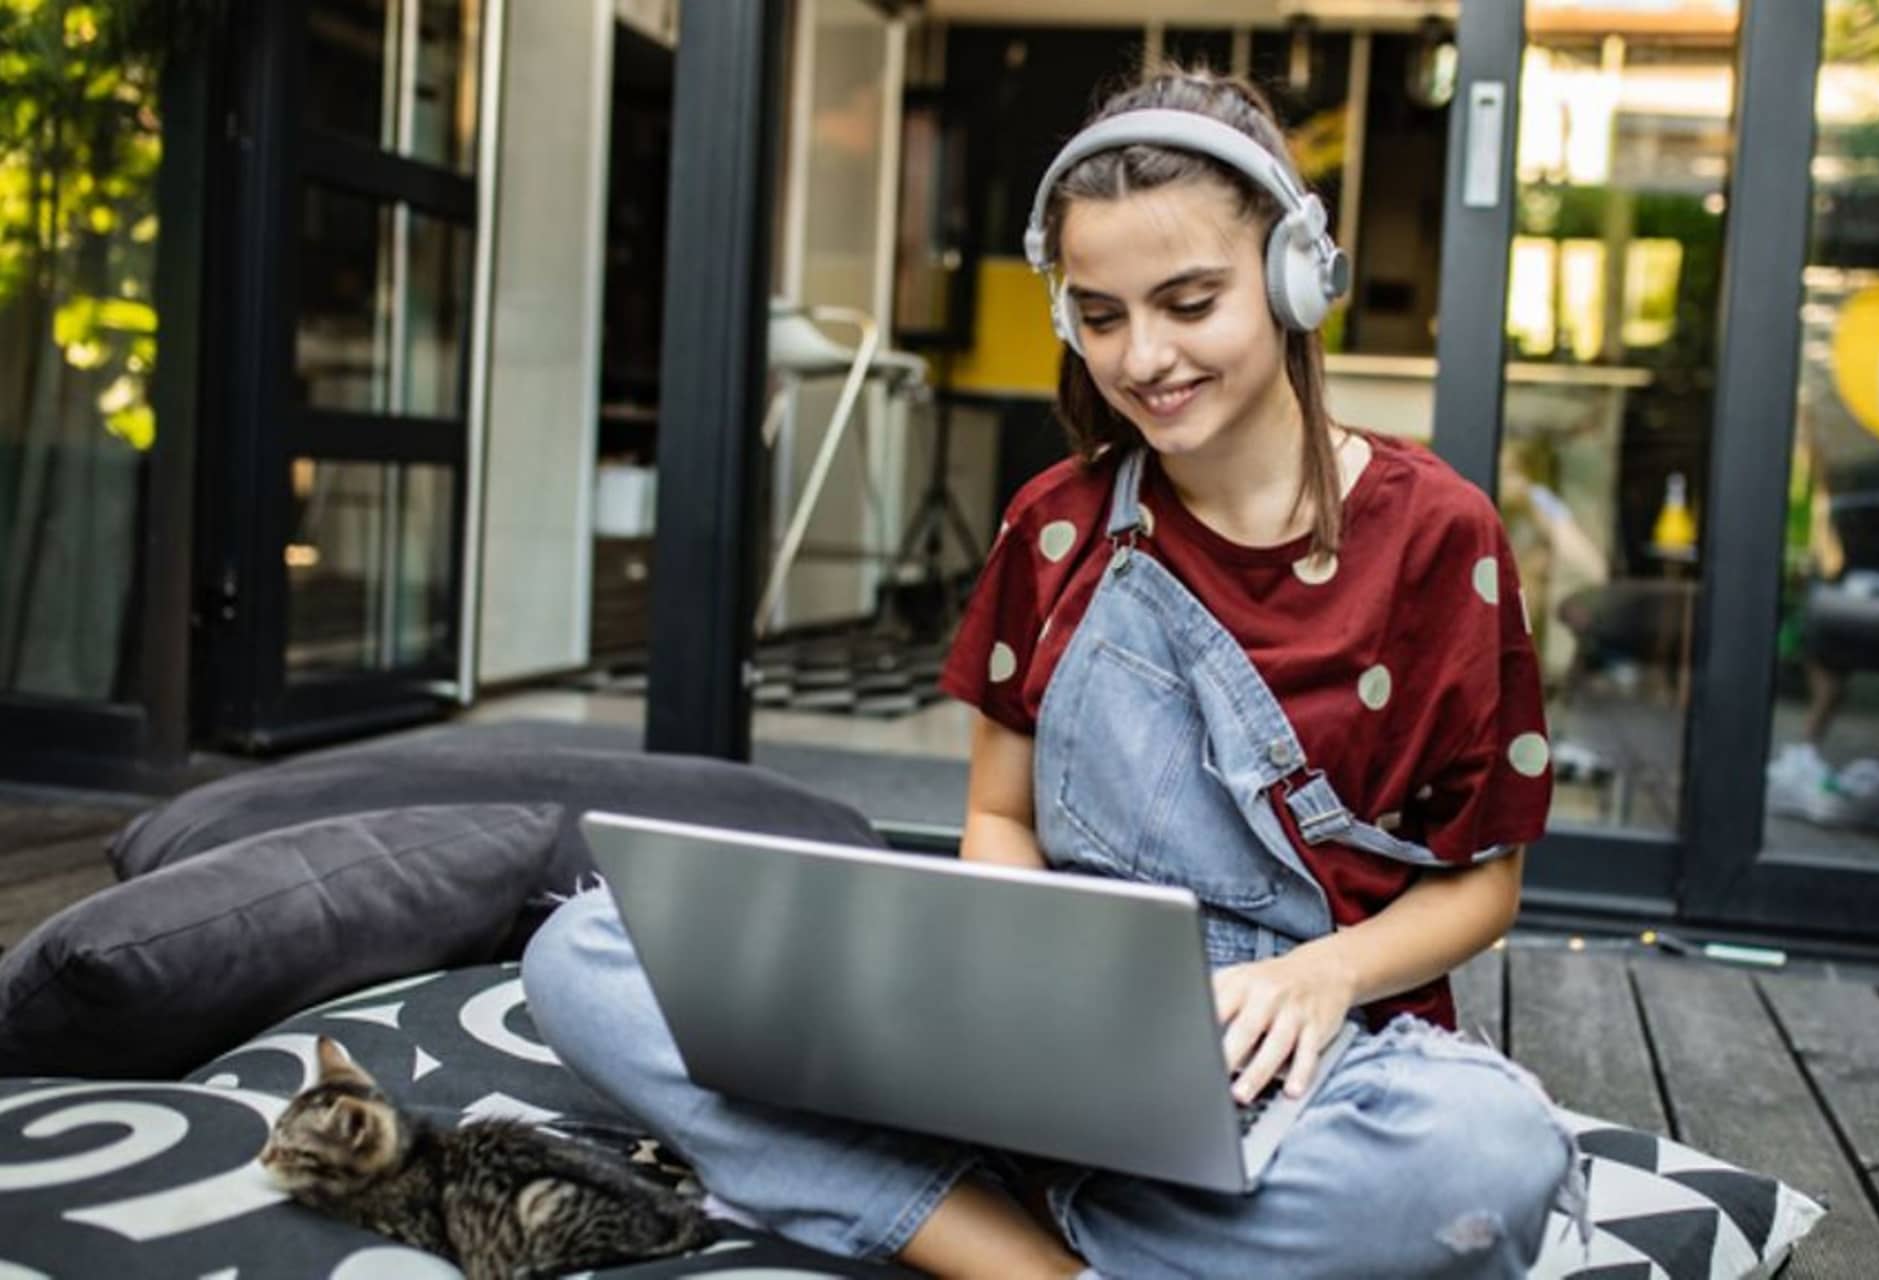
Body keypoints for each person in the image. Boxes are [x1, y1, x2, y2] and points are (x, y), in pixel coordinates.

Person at [523, 67, 1581, 1280]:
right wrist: (1015, 1009)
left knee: (1480, 1158)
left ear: (1295, 275)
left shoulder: (1439, 535)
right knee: (585, 952)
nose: (1144, 356)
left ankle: (941, 1199)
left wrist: (1321, 973)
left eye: (1189, 302)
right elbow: (998, 816)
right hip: (1047, 1013)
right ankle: (1040, 1258)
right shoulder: (1054, 524)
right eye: (1100, 314)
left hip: (1297, 1058)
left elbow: (1481, 884)